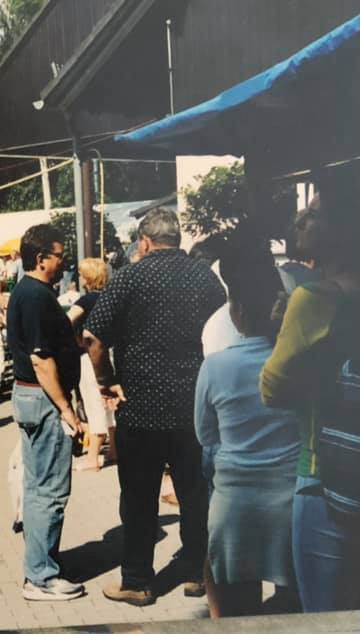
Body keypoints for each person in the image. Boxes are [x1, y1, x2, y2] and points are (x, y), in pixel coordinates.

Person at [84, 208, 226, 606]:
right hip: (194, 407)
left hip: (140, 408)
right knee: (195, 495)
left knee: (138, 497)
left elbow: (93, 337)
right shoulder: (205, 277)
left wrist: (106, 379)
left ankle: (138, 581)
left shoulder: (129, 277)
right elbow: (226, 328)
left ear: (145, 241)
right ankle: (198, 572)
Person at [260, 176, 360, 613]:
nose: (300, 220)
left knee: (326, 616)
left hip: (324, 475)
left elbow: (272, 388)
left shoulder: (313, 299)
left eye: (313, 215)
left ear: (341, 229)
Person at [195, 243, 300, 617]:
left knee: (234, 609)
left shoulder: (216, 366)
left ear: (237, 310)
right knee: (295, 606)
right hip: (290, 497)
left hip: (235, 500)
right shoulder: (298, 362)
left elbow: (206, 435)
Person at [6, 223, 85, 601]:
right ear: (41, 258)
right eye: (59, 257)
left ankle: (40, 562)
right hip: (44, 399)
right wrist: (67, 409)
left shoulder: (28, 292)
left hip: (32, 397)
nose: (63, 263)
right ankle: (40, 575)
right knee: (49, 491)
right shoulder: (36, 296)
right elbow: (41, 359)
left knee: (38, 486)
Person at [66, 258, 116, 472]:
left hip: (89, 356)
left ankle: (93, 457)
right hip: (111, 353)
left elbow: (67, 321)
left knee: (93, 403)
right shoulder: (112, 298)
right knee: (110, 402)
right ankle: (115, 449)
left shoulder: (85, 301)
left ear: (88, 277)